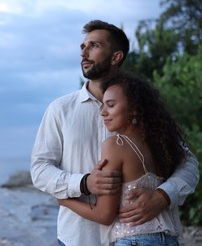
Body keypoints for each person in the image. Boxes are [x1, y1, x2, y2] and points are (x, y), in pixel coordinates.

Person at [30, 20, 199, 246]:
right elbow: (39, 170)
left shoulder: (143, 109)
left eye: (94, 45)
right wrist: (83, 183)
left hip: (143, 234)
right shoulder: (60, 110)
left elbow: (189, 163)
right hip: (80, 238)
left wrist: (164, 196)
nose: (84, 53)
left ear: (116, 56)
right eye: (83, 47)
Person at [59, 72, 188, 245]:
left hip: (134, 240)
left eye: (110, 105)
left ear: (134, 109)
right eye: (103, 105)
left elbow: (104, 215)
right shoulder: (162, 143)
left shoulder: (114, 145)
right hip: (169, 239)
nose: (103, 112)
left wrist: (65, 200)